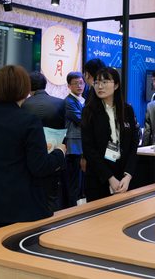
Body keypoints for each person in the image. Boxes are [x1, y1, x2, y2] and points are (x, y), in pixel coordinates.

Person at [0, 65, 66, 235]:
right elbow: (39, 166)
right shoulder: (29, 121)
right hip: (20, 209)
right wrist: (60, 152)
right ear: (24, 89)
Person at [81, 67, 139, 202]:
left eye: (105, 82)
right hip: (99, 177)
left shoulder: (127, 110)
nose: (100, 86)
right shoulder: (89, 111)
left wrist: (128, 175)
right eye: (96, 82)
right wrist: (110, 178)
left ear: (116, 85)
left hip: (124, 175)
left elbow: (133, 143)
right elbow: (89, 149)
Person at [22, 71, 67, 211]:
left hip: (30, 159)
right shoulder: (61, 103)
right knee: (53, 196)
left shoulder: (23, 105)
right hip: (55, 155)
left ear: (28, 86)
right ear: (45, 84)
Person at [63, 71, 86, 207]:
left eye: (81, 83)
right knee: (74, 180)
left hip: (82, 144)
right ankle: (72, 208)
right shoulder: (68, 102)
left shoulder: (83, 100)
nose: (79, 86)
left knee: (82, 180)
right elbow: (81, 120)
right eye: (75, 83)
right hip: (74, 146)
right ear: (69, 86)